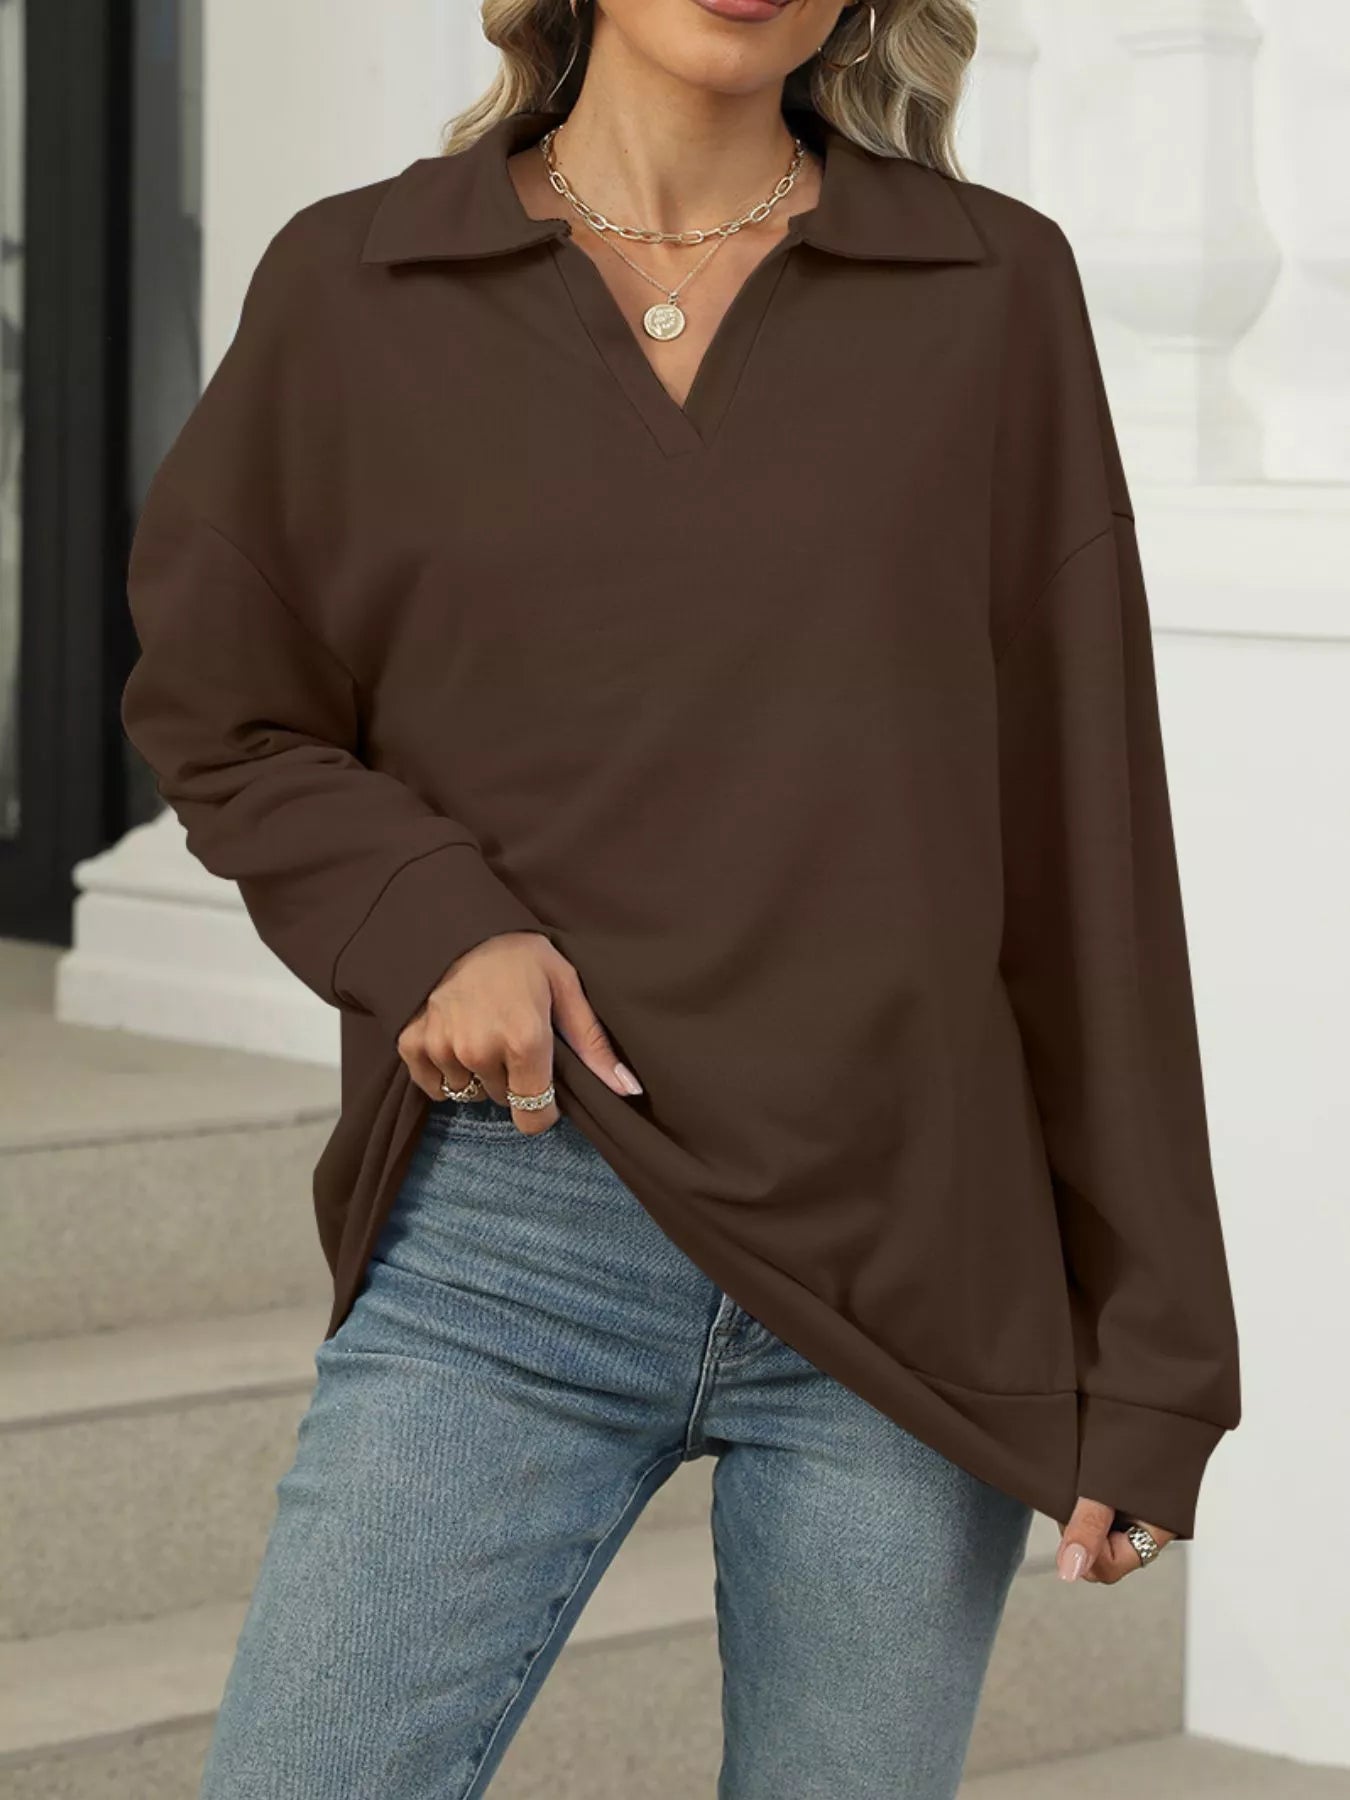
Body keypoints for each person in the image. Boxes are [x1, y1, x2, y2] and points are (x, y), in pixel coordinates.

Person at [120, 1, 1242, 1794]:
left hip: (913, 1262)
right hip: (511, 1235)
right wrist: (433, 919)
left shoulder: (986, 289)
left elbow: (1086, 836)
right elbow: (223, 708)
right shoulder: (358, 281)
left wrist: (1160, 1350)